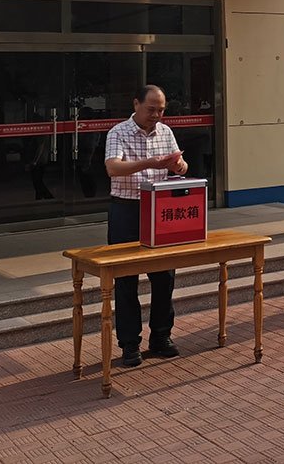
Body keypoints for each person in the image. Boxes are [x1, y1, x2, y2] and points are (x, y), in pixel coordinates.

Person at [104, 84, 188, 367]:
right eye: (151, 109)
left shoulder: (165, 132)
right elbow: (113, 167)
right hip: (126, 210)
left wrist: (179, 166)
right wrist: (149, 163)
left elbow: (181, 164)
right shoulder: (118, 132)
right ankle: (129, 344)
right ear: (136, 104)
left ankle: (161, 336)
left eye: (161, 110)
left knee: (165, 276)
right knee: (126, 279)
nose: (156, 115)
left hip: (159, 209)